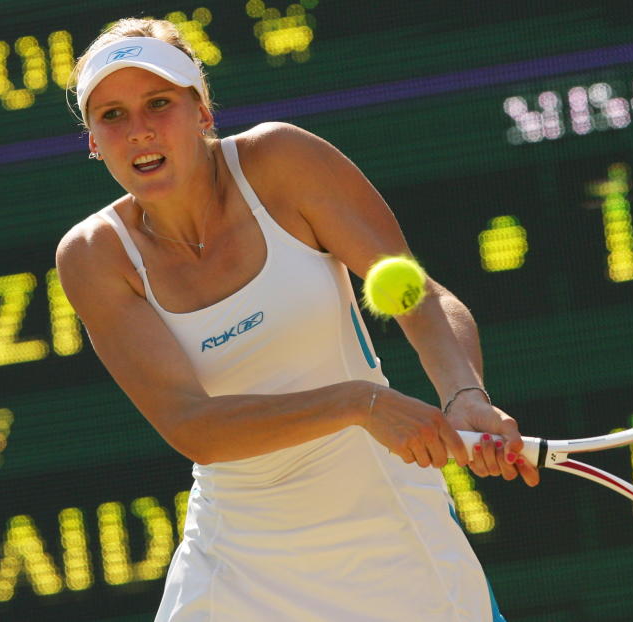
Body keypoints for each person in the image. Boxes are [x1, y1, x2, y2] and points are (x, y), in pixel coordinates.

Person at [56, 17, 539, 622]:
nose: (140, 131)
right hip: (234, 561)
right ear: (94, 142)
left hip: (393, 543)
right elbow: (191, 425)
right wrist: (359, 403)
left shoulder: (284, 161)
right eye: (113, 116)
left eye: (159, 104)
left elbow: (422, 296)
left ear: (203, 112)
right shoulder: (93, 256)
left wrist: (464, 393)